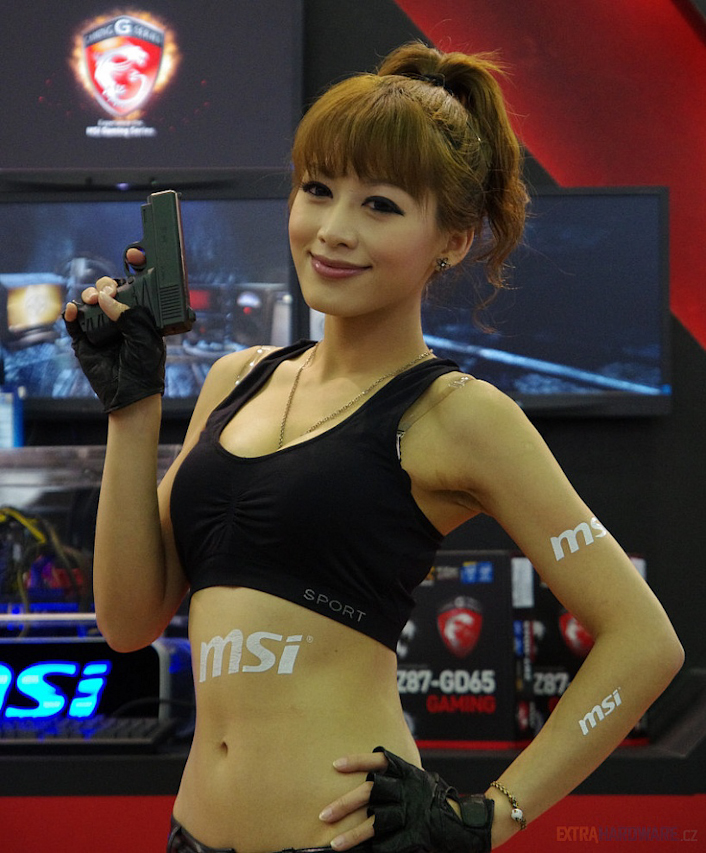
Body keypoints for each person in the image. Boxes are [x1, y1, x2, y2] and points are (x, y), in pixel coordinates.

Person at [63, 42, 683, 852]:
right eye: (318, 190)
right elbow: (127, 621)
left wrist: (489, 815)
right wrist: (131, 408)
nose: (333, 230)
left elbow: (646, 642)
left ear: (452, 239)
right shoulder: (234, 380)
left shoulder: (458, 414)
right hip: (191, 833)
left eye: (380, 205)